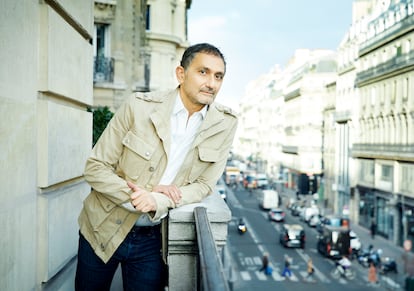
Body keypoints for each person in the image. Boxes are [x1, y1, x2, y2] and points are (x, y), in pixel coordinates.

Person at [74, 43, 238, 291]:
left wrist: (159, 201)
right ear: (181, 74)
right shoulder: (139, 106)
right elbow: (95, 167)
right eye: (202, 72)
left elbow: (204, 185)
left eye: (218, 76)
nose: (211, 83)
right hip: (101, 226)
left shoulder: (225, 124)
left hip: (153, 241)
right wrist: (145, 194)